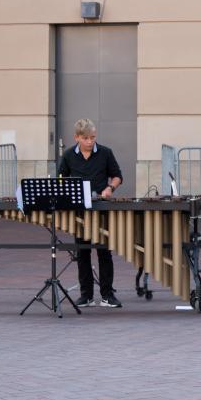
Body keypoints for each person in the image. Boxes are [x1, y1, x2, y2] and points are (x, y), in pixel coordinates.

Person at [58, 118, 123, 308]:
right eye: (86, 138)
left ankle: (107, 295)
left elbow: (118, 175)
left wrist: (110, 188)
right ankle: (86, 295)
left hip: (101, 208)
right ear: (76, 137)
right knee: (82, 252)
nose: (90, 141)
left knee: (104, 253)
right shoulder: (69, 155)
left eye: (93, 137)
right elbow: (61, 179)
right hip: (79, 210)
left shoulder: (105, 153)